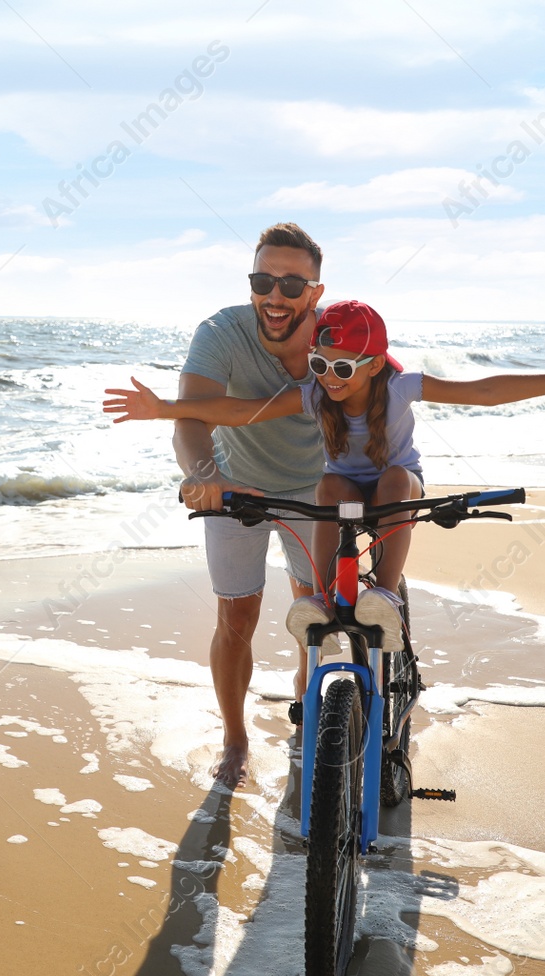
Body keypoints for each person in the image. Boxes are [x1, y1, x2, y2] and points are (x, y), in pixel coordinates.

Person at [107, 299, 545, 741]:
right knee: (329, 486)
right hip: (341, 490)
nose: (330, 379)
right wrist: (166, 410)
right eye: (320, 365)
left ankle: (383, 594)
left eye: (343, 368)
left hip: (394, 488)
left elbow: (482, 392)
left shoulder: (400, 387)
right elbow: (243, 411)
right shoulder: (316, 393)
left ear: (375, 363)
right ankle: (318, 596)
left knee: (392, 483)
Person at [162, 222, 328, 788]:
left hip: (317, 485)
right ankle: (235, 738)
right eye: (263, 280)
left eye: (291, 284)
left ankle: (308, 718)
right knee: (237, 616)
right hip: (236, 485)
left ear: (315, 292)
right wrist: (205, 475)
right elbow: (190, 417)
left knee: (313, 615)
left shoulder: (334, 333)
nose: (275, 297)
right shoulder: (220, 331)